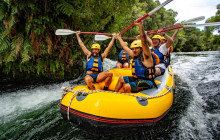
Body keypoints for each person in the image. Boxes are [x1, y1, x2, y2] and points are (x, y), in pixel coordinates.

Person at [114, 20, 157, 93]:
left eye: (136, 48)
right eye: (133, 49)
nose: (134, 50)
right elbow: (125, 47)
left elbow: (144, 41)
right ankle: (115, 93)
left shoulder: (146, 55)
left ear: (141, 48)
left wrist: (140, 26)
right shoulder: (135, 55)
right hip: (137, 79)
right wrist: (119, 38)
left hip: (147, 81)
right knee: (121, 78)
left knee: (126, 86)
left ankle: (128, 101)